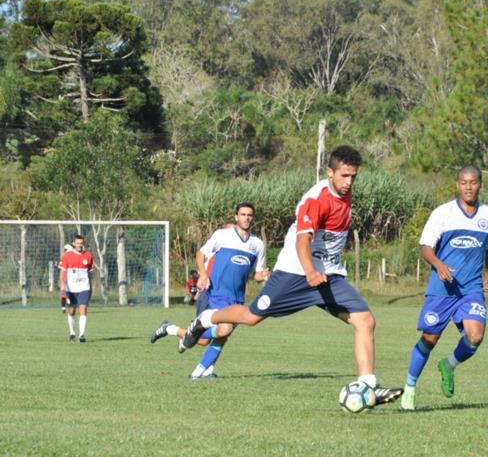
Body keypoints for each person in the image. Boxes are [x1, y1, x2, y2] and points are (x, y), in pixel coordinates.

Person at [175, 145, 402, 404]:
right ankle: (205, 318)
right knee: (251, 317)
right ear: (330, 172)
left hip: (329, 276)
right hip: (295, 273)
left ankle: (368, 385)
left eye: (353, 176)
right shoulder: (316, 200)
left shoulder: (345, 194)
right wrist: (309, 271)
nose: (349, 182)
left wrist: (320, 271)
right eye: (344, 176)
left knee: (365, 321)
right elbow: (302, 241)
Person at [400, 165, 488, 411]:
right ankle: (410, 387)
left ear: (480, 184)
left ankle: (449, 364)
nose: (468, 187)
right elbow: (425, 246)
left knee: (475, 336)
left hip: (470, 289)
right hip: (441, 289)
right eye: (464, 182)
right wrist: (439, 264)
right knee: (430, 339)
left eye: (473, 182)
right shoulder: (442, 213)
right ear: (457, 184)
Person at [151, 205, 267, 379]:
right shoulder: (222, 235)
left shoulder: (257, 244)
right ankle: (199, 374)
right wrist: (203, 274)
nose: (246, 218)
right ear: (236, 216)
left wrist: (264, 275)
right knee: (224, 330)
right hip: (217, 294)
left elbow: (256, 274)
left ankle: (173, 331)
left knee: (212, 338)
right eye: (243, 214)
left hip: (238, 299)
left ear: (253, 218)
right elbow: (201, 254)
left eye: (250, 215)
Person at [58, 235, 94, 342]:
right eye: (77, 243)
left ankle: (82, 335)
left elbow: (89, 274)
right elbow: (62, 272)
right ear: (74, 244)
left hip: (84, 287)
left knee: (83, 309)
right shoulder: (67, 256)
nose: (79, 245)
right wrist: (63, 284)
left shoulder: (88, 255)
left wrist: (90, 287)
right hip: (71, 289)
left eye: (81, 243)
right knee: (71, 311)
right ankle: (72, 332)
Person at [60, 243, 73, 312]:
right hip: (65, 277)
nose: (64, 251)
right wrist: (61, 278)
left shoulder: (72, 257)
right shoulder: (64, 257)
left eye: (66, 249)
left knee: (69, 292)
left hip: (71, 277)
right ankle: (63, 306)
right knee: (64, 291)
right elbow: (62, 269)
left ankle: (68, 304)